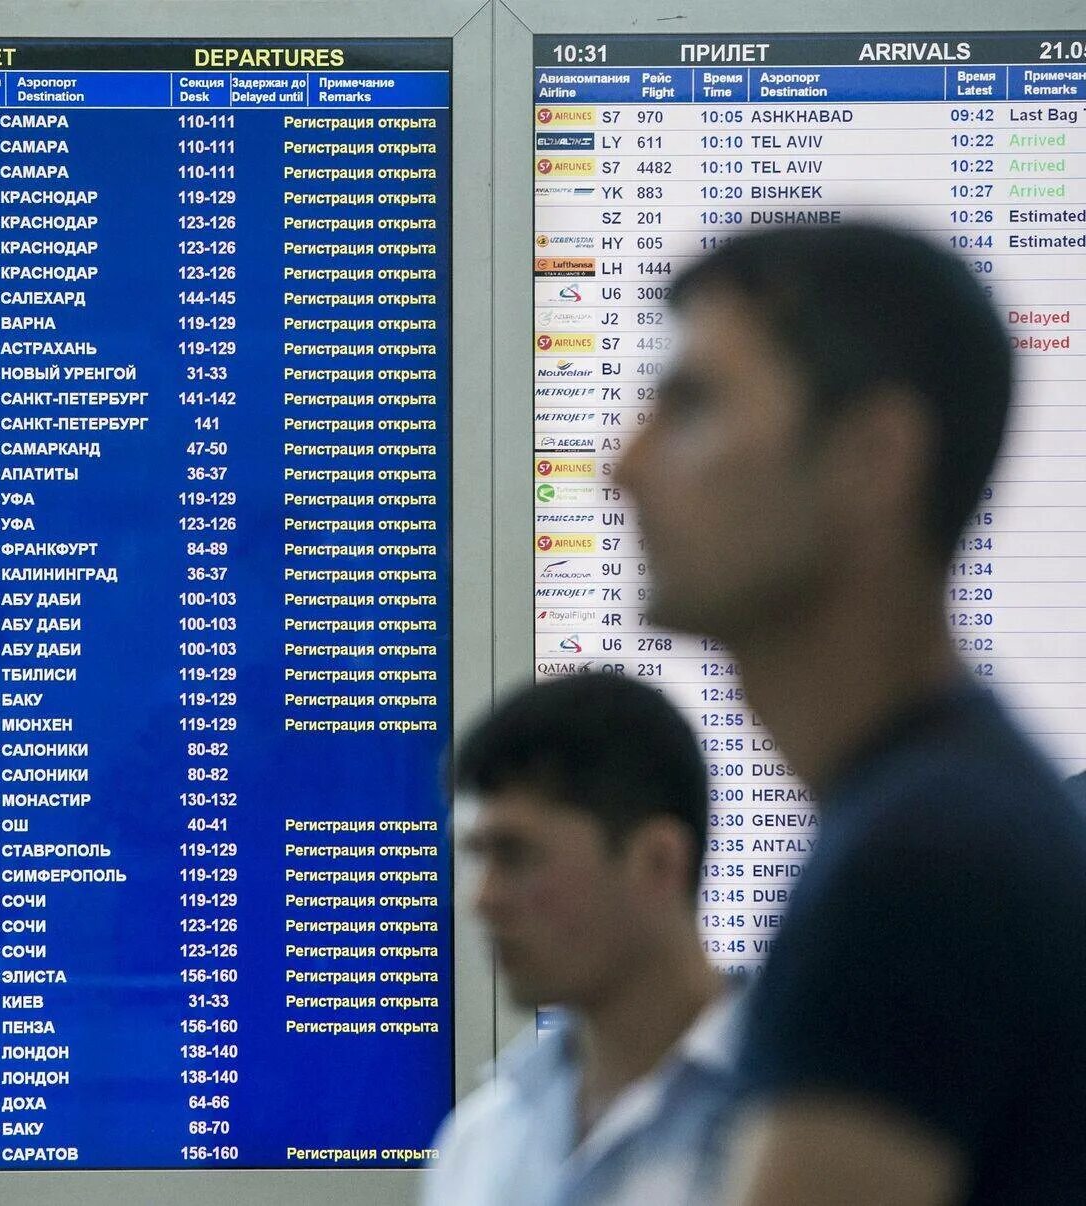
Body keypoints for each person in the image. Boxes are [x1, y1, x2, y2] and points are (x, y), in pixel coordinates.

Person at [619, 223, 1086, 1205]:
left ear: (874, 459)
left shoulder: (919, 875)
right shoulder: (953, 813)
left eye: (693, 407)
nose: (622, 464)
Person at [425, 671, 736, 1206]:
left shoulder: (819, 1122)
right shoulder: (482, 1144)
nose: (482, 899)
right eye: (474, 857)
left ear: (657, 862)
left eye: (515, 855)